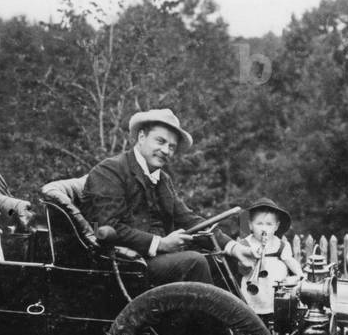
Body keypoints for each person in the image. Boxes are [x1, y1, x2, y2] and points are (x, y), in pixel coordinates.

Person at [81, 108, 256, 286]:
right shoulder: (110, 171)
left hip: (155, 261)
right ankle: (207, 314)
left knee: (223, 260)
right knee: (194, 262)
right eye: (160, 141)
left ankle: (237, 313)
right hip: (125, 265)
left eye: (171, 147)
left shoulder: (162, 179)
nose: (166, 150)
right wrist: (160, 243)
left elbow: (188, 219)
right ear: (141, 137)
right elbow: (106, 228)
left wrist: (233, 247)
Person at [238, 198, 303, 316]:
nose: (264, 228)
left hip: (275, 293)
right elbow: (241, 269)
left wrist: (299, 275)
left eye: (269, 224)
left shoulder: (280, 245)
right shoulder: (245, 244)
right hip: (252, 295)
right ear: (250, 225)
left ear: (276, 226)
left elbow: (290, 261)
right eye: (259, 224)